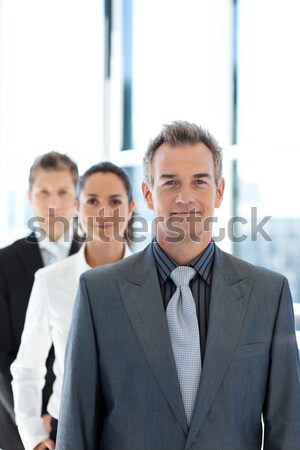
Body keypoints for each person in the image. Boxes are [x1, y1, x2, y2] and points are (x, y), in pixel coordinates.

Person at [56, 121, 300, 450]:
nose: (185, 197)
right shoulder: (98, 294)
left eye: (199, 182)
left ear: (218, 192)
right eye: (170, 183)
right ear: (147, 194)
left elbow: (287, 430)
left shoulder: (268, 295)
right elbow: (77, 430)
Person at [11, 161, 136, 450]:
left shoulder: (153, 279)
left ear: (130, 209)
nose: (103, 212)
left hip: (133, 428)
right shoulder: (50, 280)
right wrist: (33, 435)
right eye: (92, 201)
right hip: (65, 427)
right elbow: (27, 366)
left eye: (114, 201)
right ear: (78, 207)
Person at [0, 152, 81, 450]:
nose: (53, 203)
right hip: (19, 428)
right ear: (29, 197)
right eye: (43, 192)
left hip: (80, 420)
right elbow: (3, 354)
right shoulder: (4, 264)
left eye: (63, 192)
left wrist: (60, 411)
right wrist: (34, 419)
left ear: (76, 199)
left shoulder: (95, 261)